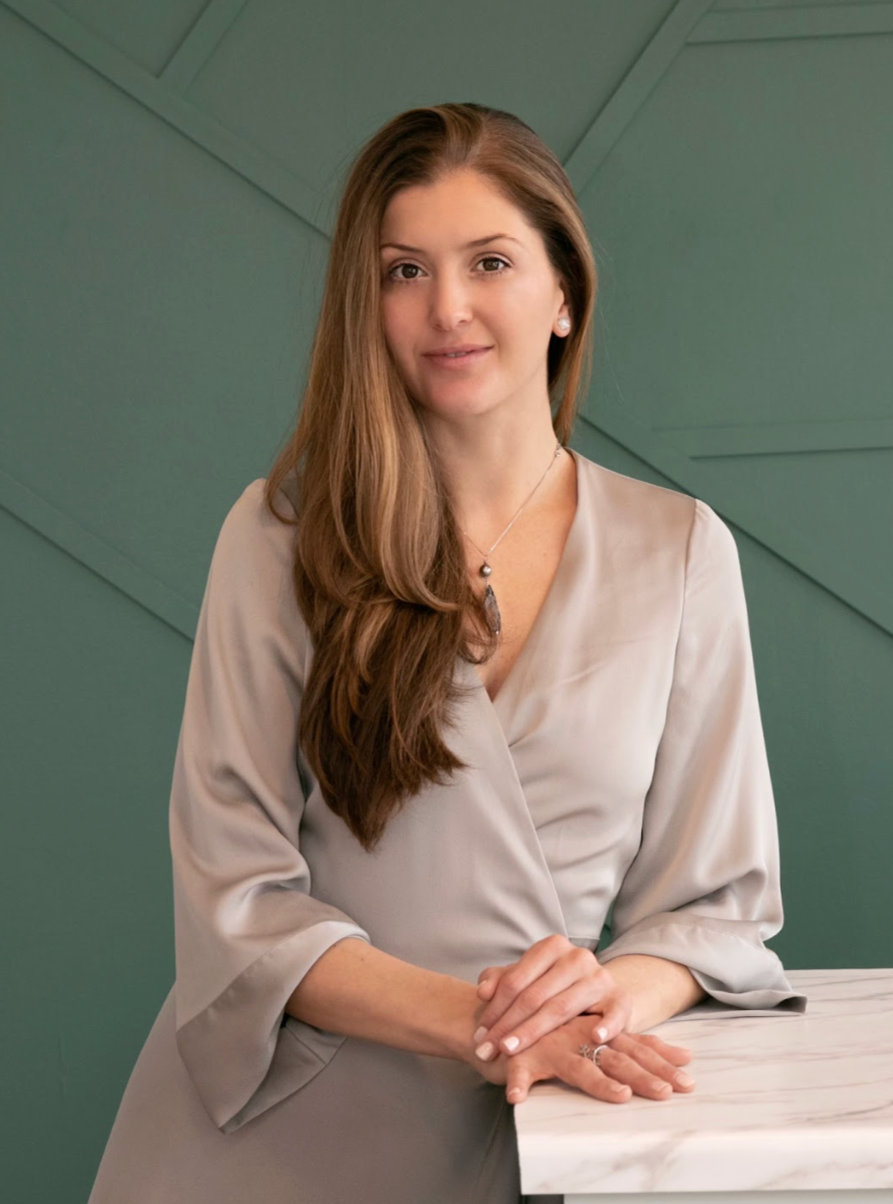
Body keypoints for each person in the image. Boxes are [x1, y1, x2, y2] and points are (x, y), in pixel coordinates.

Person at [88, 102, 805, 1204]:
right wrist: (487, 1022)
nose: (448, 308)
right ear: (363, 304)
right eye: (403, 271)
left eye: (490, 261)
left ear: (562, 292)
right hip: (270, 1138)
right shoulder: (279, 538)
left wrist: (596, 1002)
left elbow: (712, 909)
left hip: (538, 1117)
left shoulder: (678, 551)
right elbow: (237, 896)